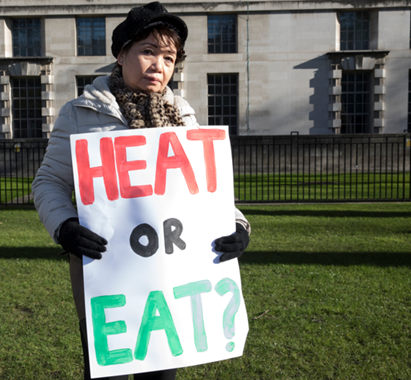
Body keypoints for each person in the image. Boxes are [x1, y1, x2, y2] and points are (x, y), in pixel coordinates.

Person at [32, 3, 251, 379]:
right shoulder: (81, 112)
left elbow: (205, 187)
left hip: (171, 280)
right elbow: (49, 182)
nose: (159, 65)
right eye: (148, 51)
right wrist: (64, 226)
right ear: (121, 55)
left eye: (169, 57)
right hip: (109, 280)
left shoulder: (182, 113)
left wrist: (237, 224)